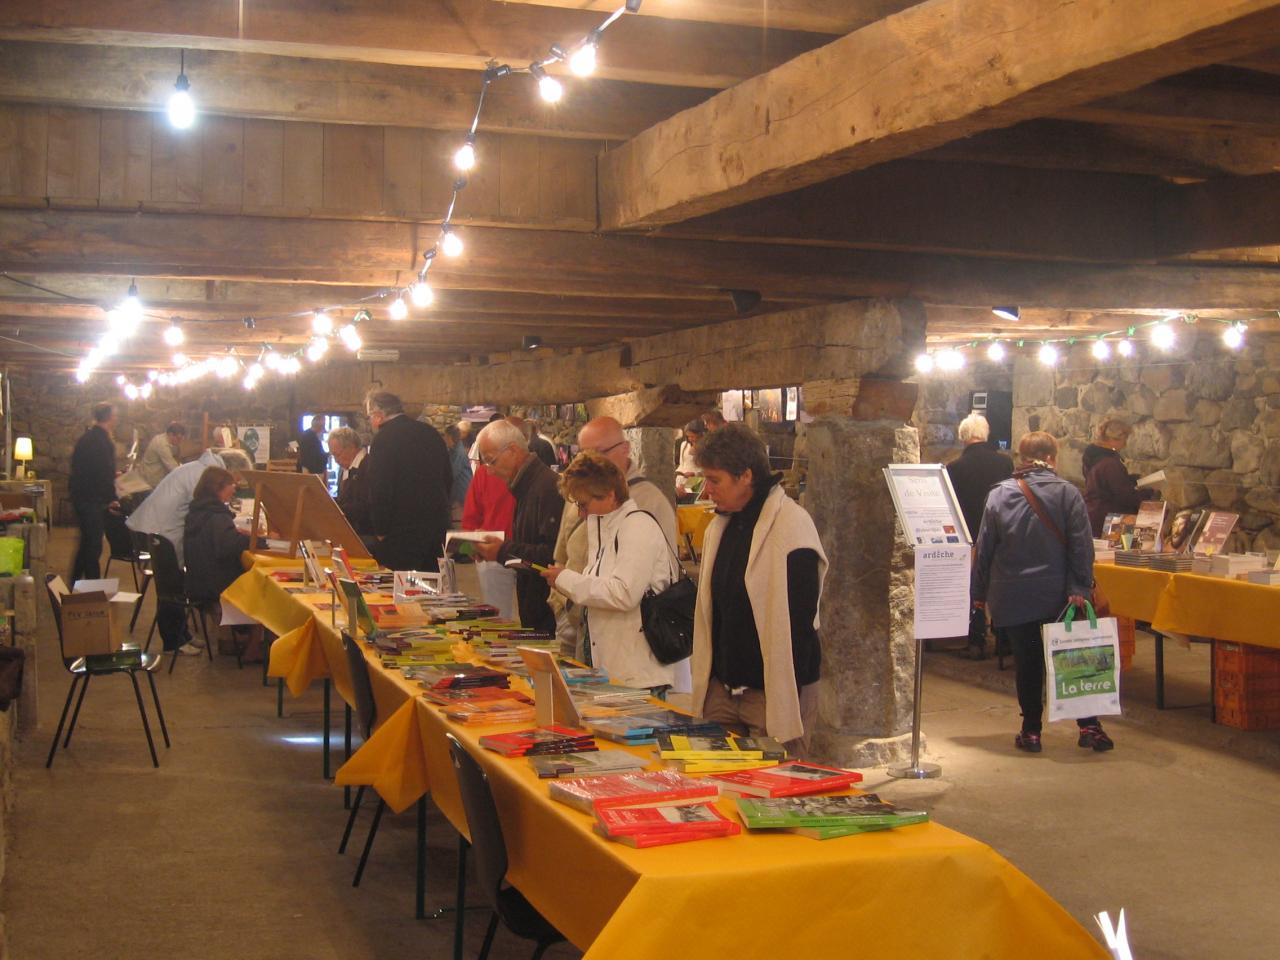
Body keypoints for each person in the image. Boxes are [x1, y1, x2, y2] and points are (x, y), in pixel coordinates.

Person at [972, 431, 1114, 754]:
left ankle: (1031, 731)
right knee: (1075, 656)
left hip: (1013, 593)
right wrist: (1080, 587)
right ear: (1053, 457)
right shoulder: (1068, 493)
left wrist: (978, 595)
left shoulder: (999, 495)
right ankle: (1089, 726)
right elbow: (1081, 545)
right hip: (1059, 592)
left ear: (1021, 458)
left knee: (1028, 660)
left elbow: (985, 548)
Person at [690, 424, 828, 755]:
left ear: (746, 476)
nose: (707, 490)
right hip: (721, 691)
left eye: (715, 480)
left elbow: (799, 621)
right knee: (716, 780)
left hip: (770, 693)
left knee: (777, 783)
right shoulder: (721, 525)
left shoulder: (791, 525)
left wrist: (784, 691)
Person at [541, 452, 687, 692]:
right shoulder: (604, 527)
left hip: (638, 673)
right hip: (612, 666)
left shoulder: (637, 526)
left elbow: (624, 593)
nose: (581, 513)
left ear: (610, 495)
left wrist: (566, 579)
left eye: (584, 504)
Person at [550, 416, 679, 658]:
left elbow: (627, 592)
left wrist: (568, 582)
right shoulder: (585, 497)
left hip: (632, 644)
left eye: (598, 452)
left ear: (625, 449)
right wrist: (562, 602)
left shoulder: (646, 509)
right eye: (583, 454)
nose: (590, 462)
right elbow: (565, 553)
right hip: (583, 626)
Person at [472, 419, 562, 634]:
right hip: (535, 612)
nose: (489, 471)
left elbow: (552, 557)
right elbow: (529, 546)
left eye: (491, 461)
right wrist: (497, 547)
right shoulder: (525, 486)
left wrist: (502, 550)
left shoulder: (547, 487)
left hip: (549, 618)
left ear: (512, 451)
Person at [946, 413, 1014, 660]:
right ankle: (1003, 639)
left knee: (973, 588)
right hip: (1001, 533)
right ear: (986, 434)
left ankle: (976, 640)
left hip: (969, 534)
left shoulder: (954, 468)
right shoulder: (1004, 463)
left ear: (963, 437)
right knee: (1001, 585)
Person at [364, 391, 452, 571]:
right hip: (435, 527)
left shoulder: (383, 439)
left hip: (401, 530)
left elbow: (380, 488)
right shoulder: (430, 432)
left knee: (401, 584)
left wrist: (381, 530)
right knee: (430, 582)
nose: (370, 422)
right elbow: (448, 477)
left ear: (378, 415)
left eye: (369, 417)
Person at [127, 448, 253, 568]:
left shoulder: (196, 468)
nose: (235, 486)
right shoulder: (204, 476)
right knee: (218, 558)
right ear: (230, 472)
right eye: (235, 481)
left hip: (152, 527)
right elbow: (206, 517)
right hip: (159, 535)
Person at [184, 466, 252, 603]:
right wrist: (257, 540)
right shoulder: (217, 515)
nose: (234, 490)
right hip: (215, 586)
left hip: (198, 582)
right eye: (231, 485)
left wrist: (234, 534)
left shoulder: (197, 510)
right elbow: (228, 546)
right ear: (218, 488)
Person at [69, 402, 120, 583]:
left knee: (86, 544)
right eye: (114, 415)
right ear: (109, 417)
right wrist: (112, 498)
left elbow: (87, 468)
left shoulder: (87, 438)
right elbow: (103, 472)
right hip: (91, 499)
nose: (116, 418)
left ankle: (74, 584)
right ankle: (92, 589)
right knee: (93, 547)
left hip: (81, 496)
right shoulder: (102, 441)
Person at [1083, 418, 1152, 537]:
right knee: (1117, 549)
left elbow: (1103, 483)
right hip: (1109, 519)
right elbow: (1124, 495)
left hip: (1094, 514)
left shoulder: (1093, 457)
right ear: (1114, 439)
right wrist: (1147, 494)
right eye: (1124, 439)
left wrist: (1130, 479)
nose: (1125, 444)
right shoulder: (1110, 463)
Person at [326, 426, 372, 539]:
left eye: (337, 454)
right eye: (333, 455)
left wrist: (337, 508)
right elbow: (344, 499)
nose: (336, 460)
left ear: (351, 447)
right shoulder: (345, 469)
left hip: (365, 534)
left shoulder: (368, 466)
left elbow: (367, 506)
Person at [137, 421, 185, 489]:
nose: (179, 441)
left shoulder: (161, 437)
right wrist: (186, 476)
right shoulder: (162, 445)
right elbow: (172, 466)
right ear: (171, 434)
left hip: (151, 474)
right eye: (178, 438)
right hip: (151, 478)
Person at [444, 424, 473, 523]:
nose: (445, 440)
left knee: (459, 523)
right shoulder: (453, 451)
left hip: (461, 496)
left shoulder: (458, 453)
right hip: (459, 495)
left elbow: (451, 473)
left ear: (450, 437)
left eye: (446, 437)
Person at [675, 418, 706, 501]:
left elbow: (705, 468)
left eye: (693, 436)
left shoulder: (705, 447)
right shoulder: (684, 444)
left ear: (700, 434)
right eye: (688, 436)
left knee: (689, 500)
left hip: (696, 479)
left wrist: (695, 474)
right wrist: (677, 473)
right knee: (677, 501)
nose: (690, 439)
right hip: (682, 478)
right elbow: (682, 464)